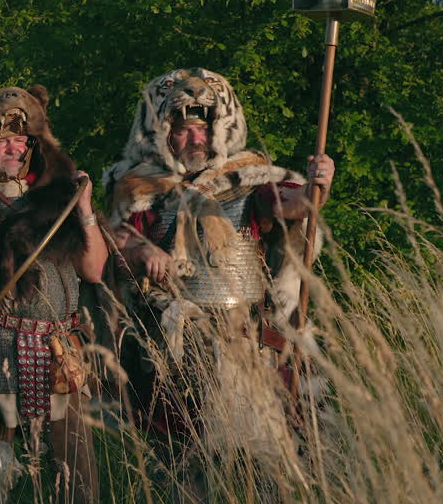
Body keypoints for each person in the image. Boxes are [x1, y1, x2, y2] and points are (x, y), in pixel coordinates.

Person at [103, 67, 334, 461]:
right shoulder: (139, 185)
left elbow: (292, 207)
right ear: (163, 134)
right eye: (182, 129)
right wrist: (144, 251)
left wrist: (318, 186)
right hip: (175, 346)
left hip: (245, 339)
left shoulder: (248, 179)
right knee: (189, 459)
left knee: (261, 457)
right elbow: (115, 243)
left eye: (203, 128)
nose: (196, 138)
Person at [0, 84, 106, 504]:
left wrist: (86, 210)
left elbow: (93, 270)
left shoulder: (61, 197)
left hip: (59, 354)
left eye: (21, 139)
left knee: (72, 472)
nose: (13, 148)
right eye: (1, 139)